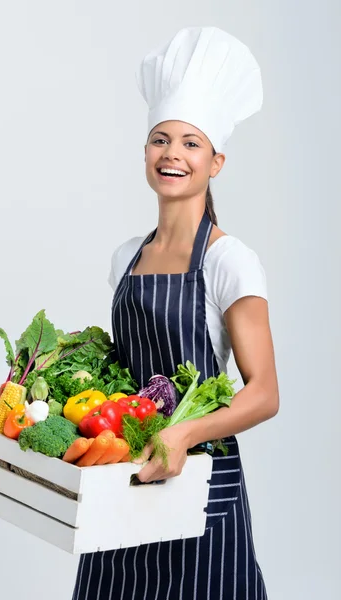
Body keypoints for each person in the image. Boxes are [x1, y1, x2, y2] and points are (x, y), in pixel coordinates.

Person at [72, 26, 279, 599]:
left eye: (191, 143)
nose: (173, 154)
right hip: (124, 475)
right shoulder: (124, 258)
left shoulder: (229, 260)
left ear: (216, 163)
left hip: (203, 481)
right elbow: (122, 377)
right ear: (145, 152)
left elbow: (264, 392)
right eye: (161, 140)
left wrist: (183, 435)